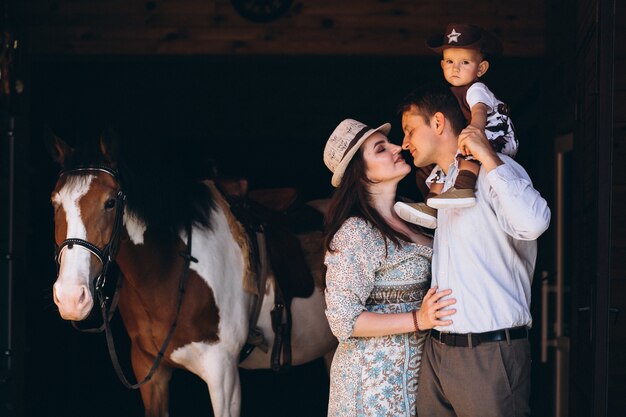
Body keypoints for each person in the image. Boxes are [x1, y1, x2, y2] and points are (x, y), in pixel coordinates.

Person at [398, 84, 550, 417]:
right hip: (438, 351)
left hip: (488, 353)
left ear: (438, 123)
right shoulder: (445, 184)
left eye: (410, 130)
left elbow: (534, 223)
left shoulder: (497, 171)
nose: (404, 143)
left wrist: (489, 158)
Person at [322, 118, 456, 417]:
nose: (398, 147)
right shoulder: (356, 232)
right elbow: (344, 321)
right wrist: (418, 319)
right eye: (381, 149)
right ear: (361, 175)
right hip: (371, 388)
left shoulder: (412, 215)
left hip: (416, 380)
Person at [394, 23, 518, 228]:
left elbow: (479, 111)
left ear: (481, 68)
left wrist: (475, 130)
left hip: (495, 133)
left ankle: (463, 186)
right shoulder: (451, 94)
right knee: (444, 165)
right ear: (442, 65)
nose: (455, 68)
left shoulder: (476, 89)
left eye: (465, 62)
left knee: (466, 147)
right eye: (450, 61)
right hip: (477, 139)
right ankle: (432, 205)